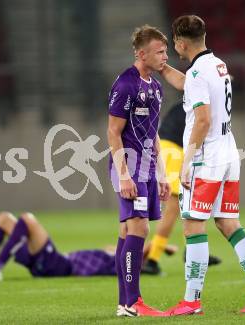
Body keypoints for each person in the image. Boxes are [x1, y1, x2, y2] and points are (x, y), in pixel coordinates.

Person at [158, 15, 245, 315]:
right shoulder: (217, 66)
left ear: (181, 42)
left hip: (205, 158)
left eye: (174, 44)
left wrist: (186, 162)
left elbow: (203, 119)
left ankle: (191, 300)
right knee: (228, 223)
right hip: (228, 154)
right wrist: (161, 68)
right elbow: (188, 85)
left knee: (193, 227)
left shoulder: (198, 73)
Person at [107, 25, 170, 317]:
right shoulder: (125, 84)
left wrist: (162, 173)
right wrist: (123, 174)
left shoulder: (156, 87)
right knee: (139, 227)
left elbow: (154, 133)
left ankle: (124, 303)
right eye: (160, 51)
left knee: (127, 230)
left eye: (166, 51)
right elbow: (112, 132)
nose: (165, 56)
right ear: (142, 53)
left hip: (147, 169)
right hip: (129, 168)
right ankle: (134, 302)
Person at [142, 101, 222, 275]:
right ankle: (152, 260)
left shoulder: (187, 103)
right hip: (173, 151)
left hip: (171, 150)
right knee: (173, 209)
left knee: (189, 204)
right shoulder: (200, 104)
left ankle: (191, 251)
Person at [0, 211, 116, 282]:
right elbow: (111, 247)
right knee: (3, 218)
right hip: (50, 262)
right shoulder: (115, 253)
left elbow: (141, 250)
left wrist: (142, 247)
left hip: (60, 266)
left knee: (28, 219)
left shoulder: (126, 261)